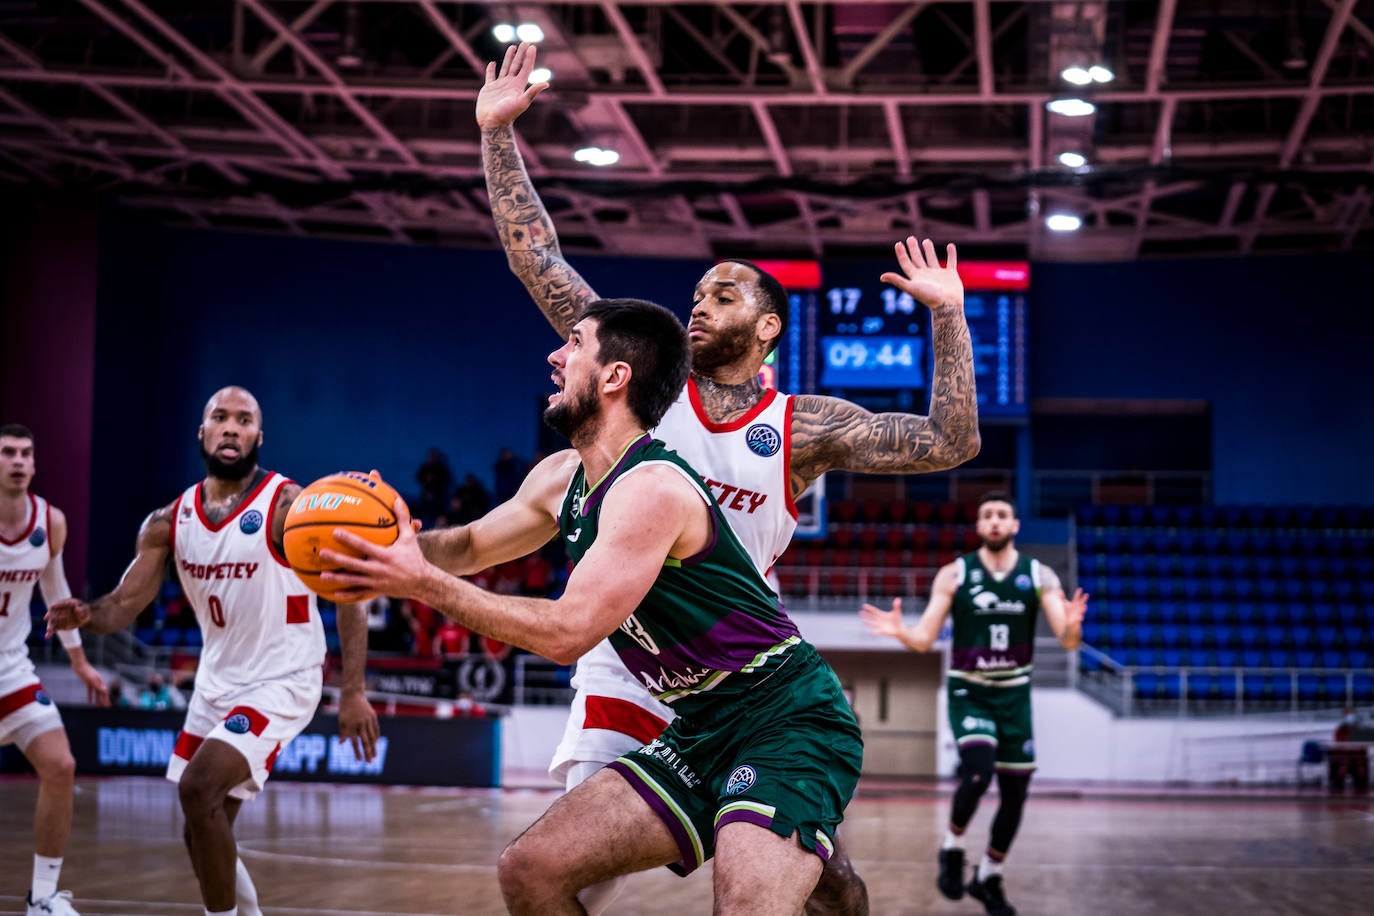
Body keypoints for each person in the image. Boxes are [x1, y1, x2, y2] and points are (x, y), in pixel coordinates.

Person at [476, 42, 983, 916]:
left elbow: (948, 440)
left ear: (770, 326)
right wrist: (496, 137)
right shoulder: (642, 380)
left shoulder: (800, 426)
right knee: (565, 870)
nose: (702, 301)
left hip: (742, 666)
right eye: (699, 289)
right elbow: (540, 262)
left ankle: (821, 866)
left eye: (726, 293)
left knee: (807, 885)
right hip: (626, 650)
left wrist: (948, 316)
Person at [323, 299, 865, 915]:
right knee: (530, 870)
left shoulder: (652, 489)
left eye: (573, 343)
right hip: (700, 726)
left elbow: (567, 632)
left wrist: (419, 582)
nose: (555, 357)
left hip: (787, 719)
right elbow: (471, 544)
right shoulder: (564, 479)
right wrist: (382, 548)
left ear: (614, 377)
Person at [44, 387, 380, 916]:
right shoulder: (167, 522)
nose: (231, 428)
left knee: (198, 791)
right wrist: (88, 615)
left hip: (283, 677)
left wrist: (354, 690)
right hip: (216, 682)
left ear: (258, 438)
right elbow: (125, 604)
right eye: (219, 418)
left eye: (243, 420)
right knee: (200, 827)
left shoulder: (288, 505)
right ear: (201, 432)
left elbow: (352, 593)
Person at [859, 492, 1088, 916]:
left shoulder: (1040, 576)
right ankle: (952, 848)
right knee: (979, 773)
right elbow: (925, 640)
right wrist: (901, 632)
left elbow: (1066, 640)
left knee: (1016, 794)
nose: (996, 522)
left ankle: (989, 876)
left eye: (1003, 515)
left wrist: (1072, 627)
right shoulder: (954, 574)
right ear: (979, 527)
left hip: (1014, 693)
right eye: (988, 516)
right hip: (970, 690)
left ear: (1015, 525)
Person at [0, 423, 110, 916]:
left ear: (35, 463)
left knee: (61, 766)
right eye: (7, 453)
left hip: (12, 671)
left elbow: (56, 591)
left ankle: (42, 898)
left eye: (26, 452)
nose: (18, 461)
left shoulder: (51, 521)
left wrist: (80, 662)